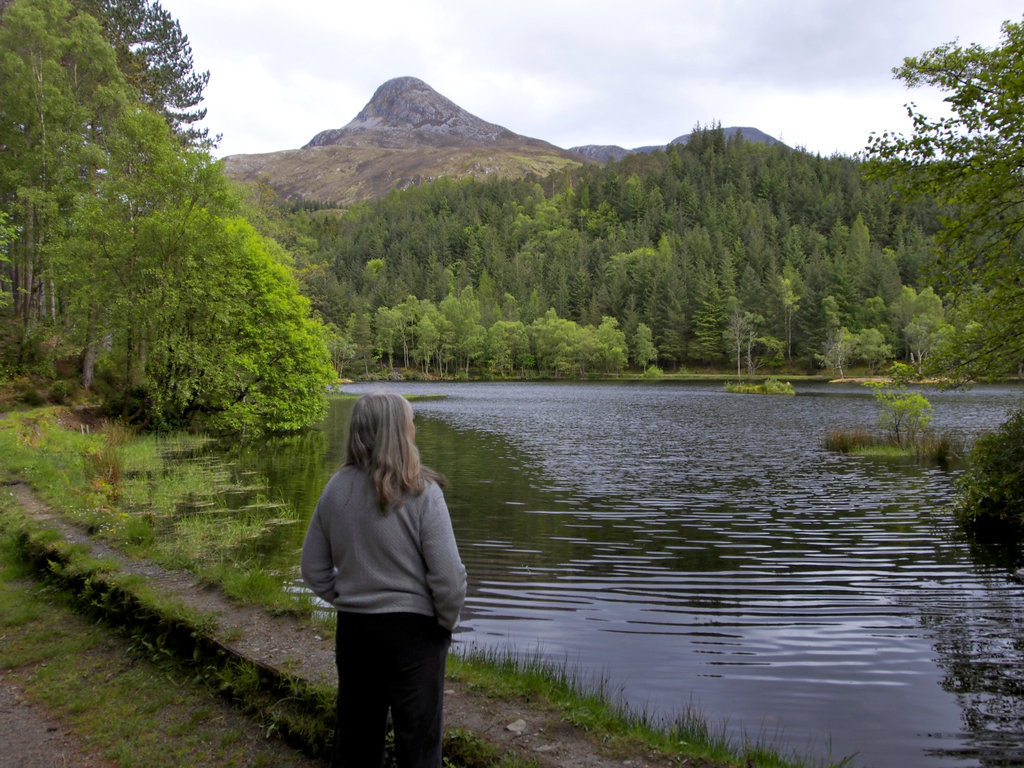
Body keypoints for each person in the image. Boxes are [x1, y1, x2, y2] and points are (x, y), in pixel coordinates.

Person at [301, 392, 467, 768]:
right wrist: (445, 621)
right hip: (415, 634)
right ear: (396, 431)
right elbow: (450, 579)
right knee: (420, 744)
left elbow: (312, 569)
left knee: (356, 739)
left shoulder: (334, 488)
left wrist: (350, 598)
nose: (415, 427)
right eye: (410, 421)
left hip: (356, 631)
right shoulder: (424, 493)